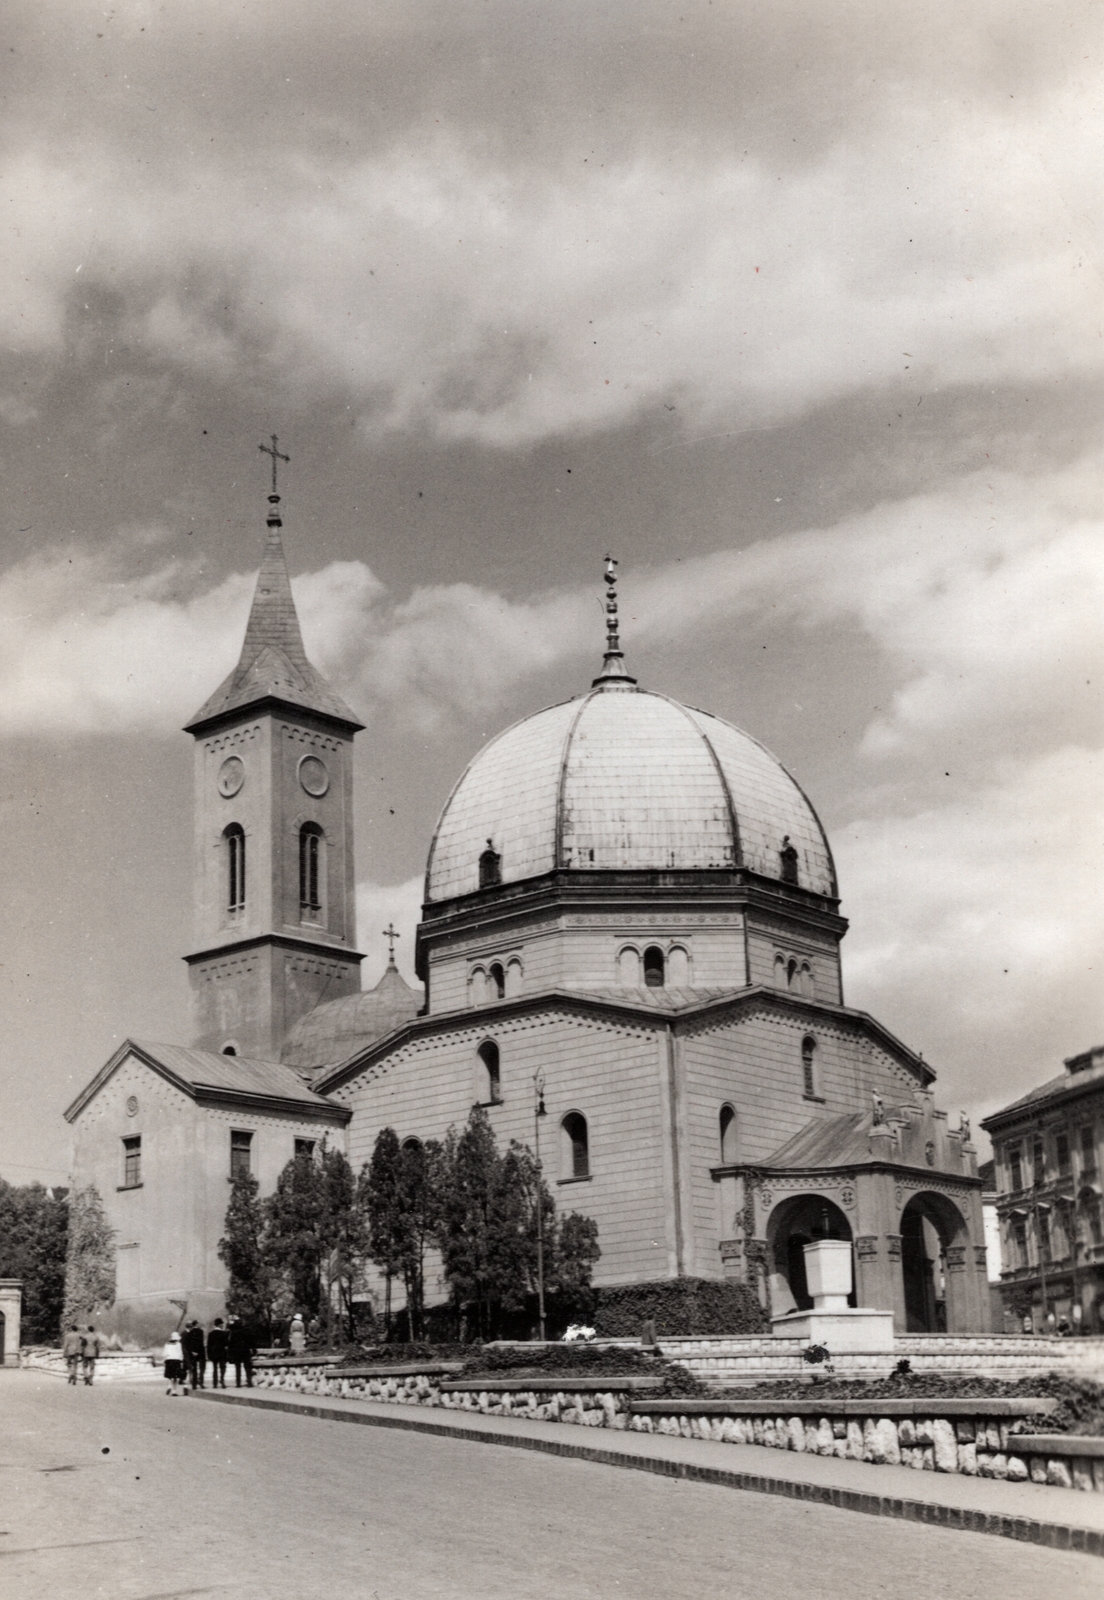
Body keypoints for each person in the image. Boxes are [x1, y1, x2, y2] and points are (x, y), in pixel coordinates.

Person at [226, 1316, 254, 1388]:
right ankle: (249, 1382)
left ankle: (238, 1383)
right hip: (245, 1351)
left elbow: (231, 1343)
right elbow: (250, 1341)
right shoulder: (246, 1330)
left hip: (237, 1352)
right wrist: (252, 1349)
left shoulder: (234, 1332)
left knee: (237, 1368)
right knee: (247, 1367)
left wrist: (230, 1353)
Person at [182, 1319, 207, 1389]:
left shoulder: (190, 1332)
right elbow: (201, 1342)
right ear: (197, 1324)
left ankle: (194, 1384)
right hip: (201, 1352)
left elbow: (189, 1344)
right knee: (202, 1368)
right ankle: (201, 1381)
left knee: (194, 1369)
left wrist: (193, 1351)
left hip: (193, 1353)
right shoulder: (201, 1331)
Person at [207, 1317, 229, 1388]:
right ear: (219, 1325)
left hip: (214, 1353)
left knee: (215, 1368)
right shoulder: (224, 1333)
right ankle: (222, 1380)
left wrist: (209, 1354)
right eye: (222, 1324)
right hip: (222, 1353)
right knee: (222, 1367)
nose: (222, 1325)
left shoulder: (211, 1334)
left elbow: (209, 1345)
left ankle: (215, 1383)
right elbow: (226, 1343)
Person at [163, 1331, 185, 1396]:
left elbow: (164, 1353)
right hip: (176, 1360)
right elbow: (180, 1353)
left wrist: (165, 1360)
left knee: (169, 1375)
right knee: (175, 1377)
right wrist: (181, 1360)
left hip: (169, 1360)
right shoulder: (178, 1344)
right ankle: (174, 1391)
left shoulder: (167, 1344)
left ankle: (169, 1385)